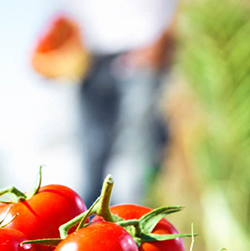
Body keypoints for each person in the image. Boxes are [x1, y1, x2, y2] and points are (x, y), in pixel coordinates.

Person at [31, 0, 178, 207]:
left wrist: (163, 31)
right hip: (90, 58)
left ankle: (133, 219)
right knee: (92, 149)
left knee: (137, 147)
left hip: (141, 45)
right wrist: (58, 46)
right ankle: (92, 225)